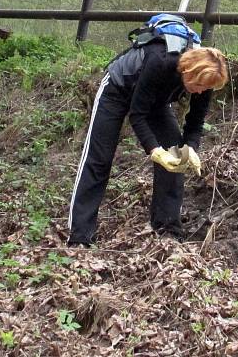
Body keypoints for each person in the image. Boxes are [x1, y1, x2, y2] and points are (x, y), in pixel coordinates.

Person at [68, 43, 229, 246]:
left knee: (176, 154)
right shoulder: (160, 61)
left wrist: (190, 148)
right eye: (199, 86)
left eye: (206, 88)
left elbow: (196, 122)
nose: (200, 92)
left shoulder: (204, 84)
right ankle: (80, 236)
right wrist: (154, 150)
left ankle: (168, 230)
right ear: (189, 71)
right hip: (118, 89)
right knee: (99, 159)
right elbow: (137, 115)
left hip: (155, 100)